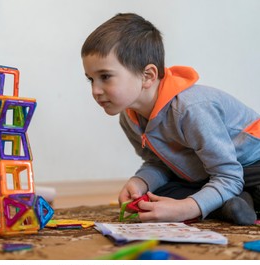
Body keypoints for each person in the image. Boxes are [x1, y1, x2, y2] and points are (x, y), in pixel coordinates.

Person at [81, 13, 260, 225]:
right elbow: (159, 162)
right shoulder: (129, 117)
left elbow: (229, 174)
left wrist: (184, 208)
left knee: (199, 194)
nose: (95, 90)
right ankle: (233, 203)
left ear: (147, 76)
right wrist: (141, 182)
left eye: (105, 77)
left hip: (248, 165)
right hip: (207, 171)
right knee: (158, 194)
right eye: (90, 79)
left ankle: (236, 200)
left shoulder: (191, 110)